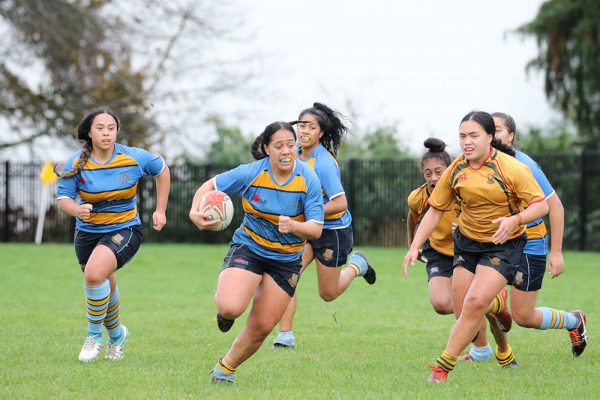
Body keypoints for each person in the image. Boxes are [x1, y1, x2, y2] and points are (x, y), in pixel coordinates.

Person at [402, 111, 550, 383]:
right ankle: (499, 325)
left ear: (490, 137)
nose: (466, 142)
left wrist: (515, 219)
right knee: (463, 309)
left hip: (503, 245)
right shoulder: (456, 168)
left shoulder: (511, 168)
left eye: (473, 136)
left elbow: (541, 205)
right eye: (462, 136)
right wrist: (414, 246)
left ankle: (441, 369)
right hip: (467, 244)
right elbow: (435, 209)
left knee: (472, 303)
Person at [189, 121, 324, 384]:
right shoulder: (251, 173)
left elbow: (316, 229)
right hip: (250, 248)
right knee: (229, 307)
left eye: (290, 145)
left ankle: (225, 369)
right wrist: (195, 211)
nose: (286, 151)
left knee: (262, 327)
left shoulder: (307, 178)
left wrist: (294, 225)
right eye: (278, 146)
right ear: (266, 149)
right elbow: (210, 185)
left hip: (286, 260)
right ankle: (226, 315)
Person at [56, 107, 170, 362]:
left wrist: (160, 210)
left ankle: (93, 337)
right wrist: (77, 209)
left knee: (94, 275)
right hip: (87, 233)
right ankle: (117, 337)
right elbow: (63, 199)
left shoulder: (134, 157)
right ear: (89, 132)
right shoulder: (76, 162)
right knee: (102, 283)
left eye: (111, 128)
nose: (106, 133)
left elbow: (162, 169)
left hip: (125, 229)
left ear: (117, 131)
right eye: (100, 128)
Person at [475, 112, 587, 354]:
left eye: (498, 129)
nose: (493, 135)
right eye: (489, 130)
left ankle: (573, 321)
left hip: (530, 244)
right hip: (500, 243)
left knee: (524, 316)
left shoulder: (525, 165)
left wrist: (556, 252)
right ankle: (480, 350)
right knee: (473, 295)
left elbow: (555, 206)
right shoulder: (481, 163)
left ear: (511, 136)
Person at [272, 103, 376, 349]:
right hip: (307, 229)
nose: (305, 130)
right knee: (287, 275)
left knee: (327, 294)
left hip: (333, 232)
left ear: (321, 133)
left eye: (312, 126)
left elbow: (340, 203)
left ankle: (357, 266)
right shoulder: (294, 153)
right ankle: (285, 336)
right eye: (302, 125)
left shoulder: (324, 163)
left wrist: (311, 212)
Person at [405, 138, 504, 363]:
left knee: (468, 303)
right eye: (427, 173)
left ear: (449, 169)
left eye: (439, 171)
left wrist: (464, 225)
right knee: (441, 304)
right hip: (438, 250)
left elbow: (483, 214)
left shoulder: (465, 189)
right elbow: (414, 218)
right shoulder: (417, 197)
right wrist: (413, 244)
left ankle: (482, 349)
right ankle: (493, 304)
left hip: (469, 250)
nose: (433, 178)